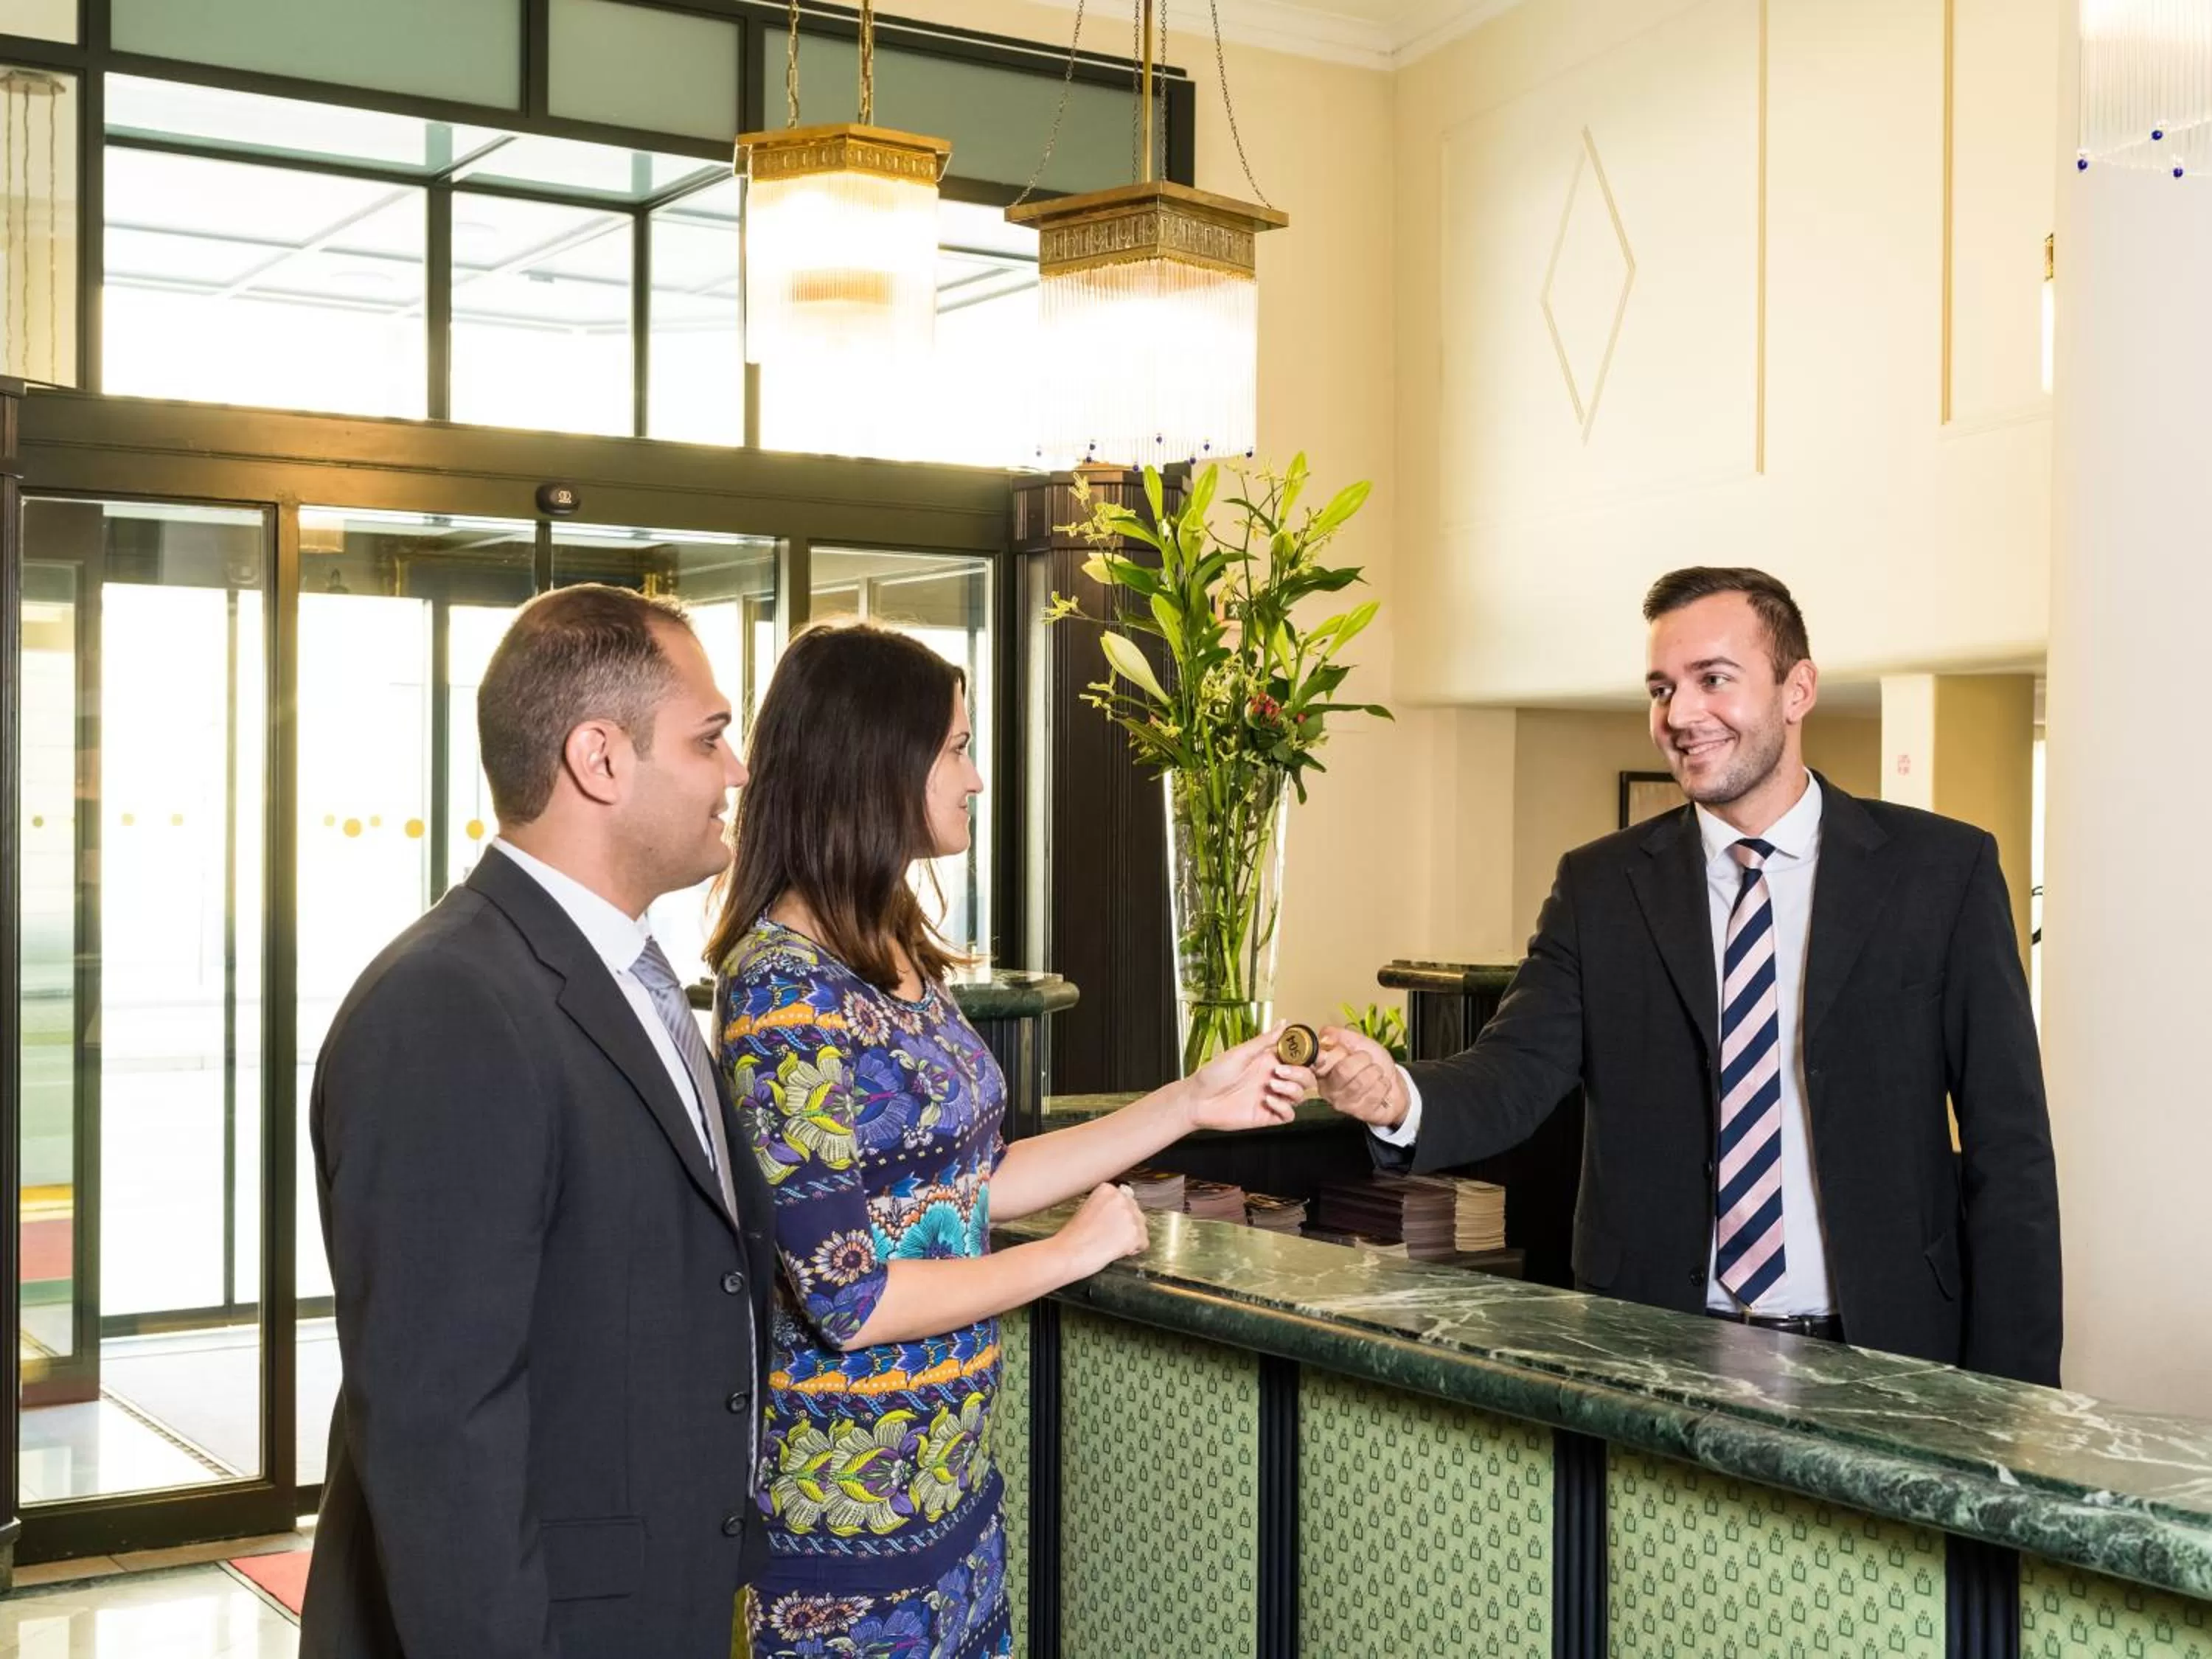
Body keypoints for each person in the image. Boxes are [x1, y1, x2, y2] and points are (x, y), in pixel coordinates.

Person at [710, 622, 1312, 1658]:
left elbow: (966, 1187)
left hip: (953, 1496)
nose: (977, 776)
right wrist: (1066, 1255)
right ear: (873, 760)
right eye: (954, 747)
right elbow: (847, 1297)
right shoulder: (780, 987)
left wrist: (1188, 1101)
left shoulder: (892, 936)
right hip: (846, 1521)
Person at [1314, 567, 2062, 1385]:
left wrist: (2017, 1398)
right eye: (1661, 689)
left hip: (1886, 1350)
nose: (1680, 715)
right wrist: (1398, 1099)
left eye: (1714, 680)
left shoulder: (1942, 873)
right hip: (1651, 1346)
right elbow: (1516, 1071)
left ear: (1797, 689)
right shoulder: (1599, 887)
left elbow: (2009, 1145)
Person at [303, 585, 778, 1659]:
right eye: (710, 738)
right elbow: (440, 1431)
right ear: (601, 758)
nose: (737, 768)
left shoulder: (628, 974)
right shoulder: (450, 1004)